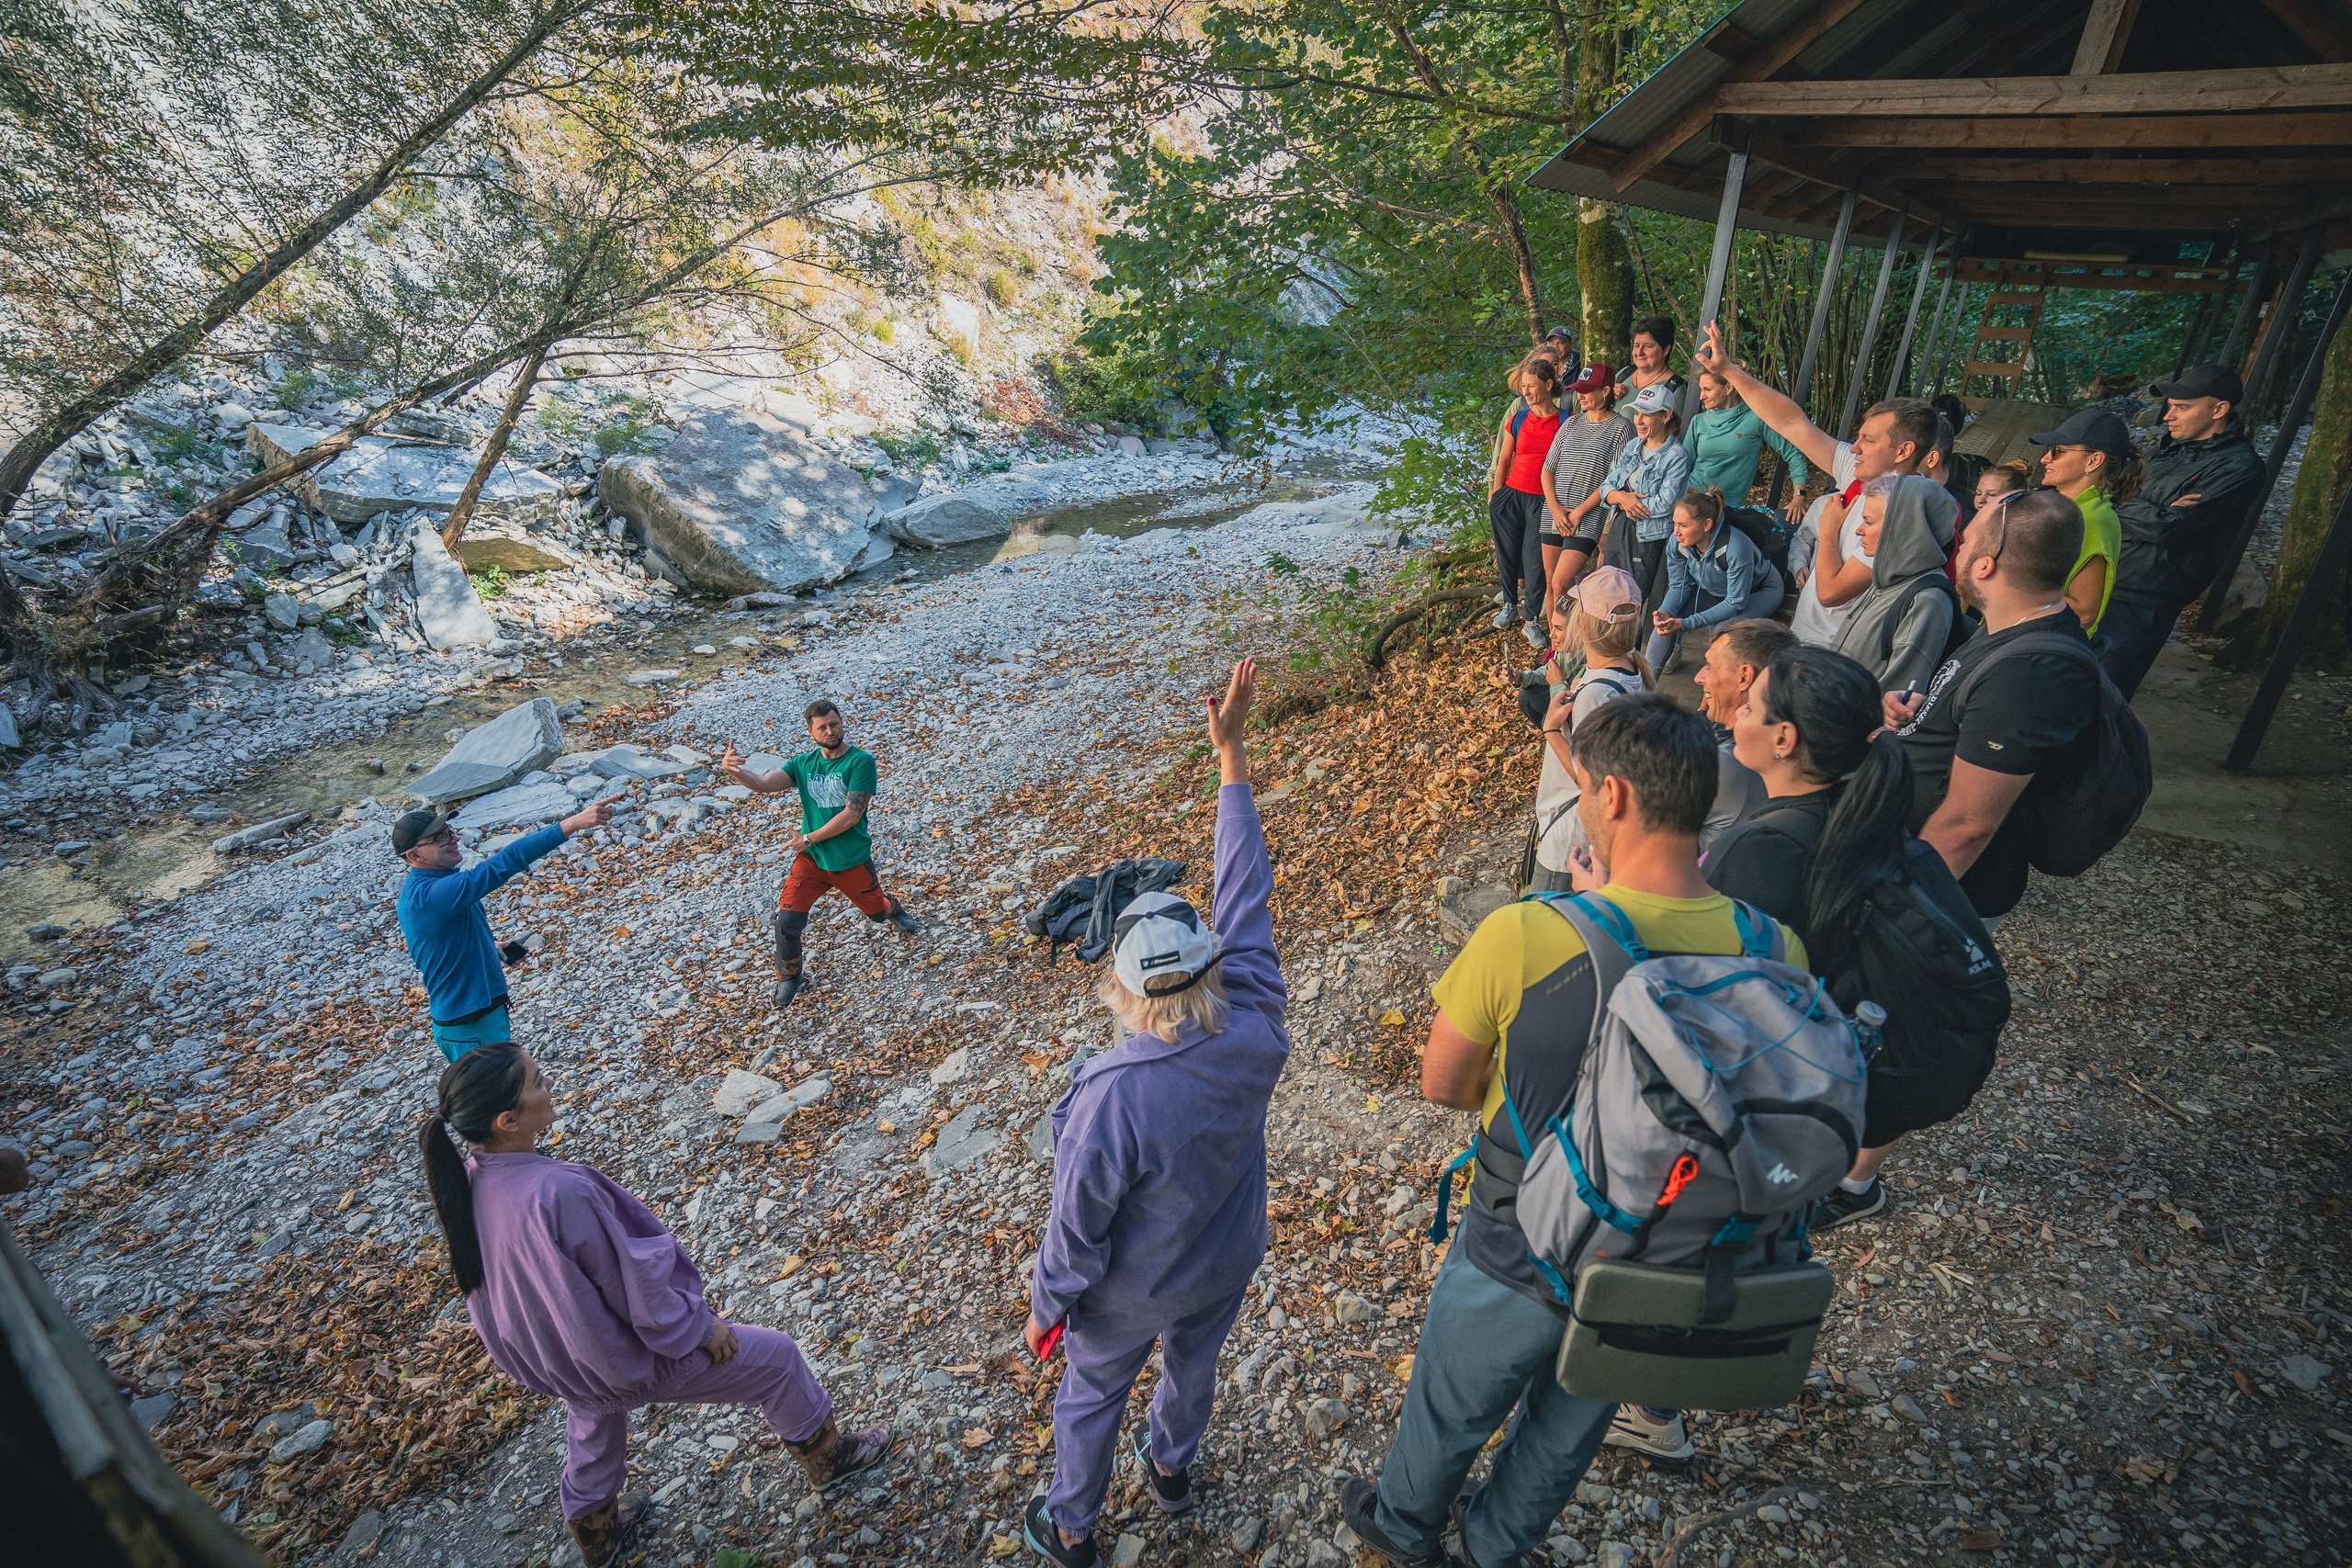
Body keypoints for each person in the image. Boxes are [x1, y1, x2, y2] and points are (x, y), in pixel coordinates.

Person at [1340, 695, 1807, 1568]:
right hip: (1670, 1250)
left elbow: (1444, 1082)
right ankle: (1495, 1547)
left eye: (1587, 786)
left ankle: (1403, 1525)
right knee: (1574, 1418)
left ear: (1615, 797)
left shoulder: (1525, 934)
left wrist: (1585, 924)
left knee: (1455, 1399)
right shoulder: (1774, 947)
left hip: (1523, 1236)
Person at [420, 1044, 893, 1568]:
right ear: (508, 1120)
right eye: (536, 1081)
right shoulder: (558, 1191)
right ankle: (831, 1461)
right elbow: (630, 1285)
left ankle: (598, 1538)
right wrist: (699, 1328)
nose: (548, 1084)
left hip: (567, 1360)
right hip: (620, 1356)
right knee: (778, 1360)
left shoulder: (470, 1179)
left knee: (594, 1417)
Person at [1023, 659, 1290, 1568]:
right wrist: (1232, 758)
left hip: (1129, 1290)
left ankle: (1072, 1527)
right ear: (1214, 964)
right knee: (1193, 1366)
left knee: (1093, 1393)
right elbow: (1246, 892)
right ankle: (1171, 1469)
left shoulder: (1111, 1093)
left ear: (1121, 987)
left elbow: (1076, 1230)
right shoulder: (1254, 1023)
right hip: (1223, 1259)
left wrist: (1045, 1308)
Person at [1707, 645, 1990, 1226]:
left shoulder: (1759, 849)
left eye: (1750, 706)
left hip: (1816, 1079)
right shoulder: (1869, 813)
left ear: (1784, 739)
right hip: (1893, 1054)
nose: (1737, 713)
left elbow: (1715, 988)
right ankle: (1851, 1187)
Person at [1886, 490, 2098, 919]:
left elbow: (1967, 825)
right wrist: (1933, 707)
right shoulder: (2012, 625)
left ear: (1986, 565)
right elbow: (1984, 713)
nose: (1958, 550)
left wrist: (1899, 910)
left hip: (1939, 895)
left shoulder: (2028, 674)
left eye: (1964, 542)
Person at [719, 701, 921, 1008]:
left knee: (876, 915)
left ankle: (890, 907)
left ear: (842, 723)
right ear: (810, 732)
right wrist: (735, 770)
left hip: (850, 859)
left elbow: (851, 816)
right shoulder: (803, 764)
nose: (830, 732)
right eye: (822, 728)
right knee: (787, 922)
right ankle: (789, 976)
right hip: (811, 861)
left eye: (834, 724)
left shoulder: (860, 762)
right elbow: (762, 784)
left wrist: (808, 838)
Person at [396, 798, 614, 1062]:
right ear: (415, 856)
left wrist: (487, 946)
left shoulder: (434, 886)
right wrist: (572, 824)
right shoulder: (432, 895)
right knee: (496, 1089)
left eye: (449, 831)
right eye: (440, 838)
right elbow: (502, 864)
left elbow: (439, 940)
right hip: (469, 1026)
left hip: (480, 1016)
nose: (454, 839)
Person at [2099, 363, 2266, 698]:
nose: (2168, 416)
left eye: (2182, 408)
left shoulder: (2240, 466)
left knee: (2103, 697)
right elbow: (2109, 495)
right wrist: (2143, 508)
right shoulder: (2168, 447)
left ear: (2219, 409)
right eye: (2170, 406)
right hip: (2104, 574)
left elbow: (2168, 527)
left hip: (2145, 597)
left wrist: (2124, 506)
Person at [1527, 569, 1652, 891]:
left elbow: (1588, 778)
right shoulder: (1631, 670)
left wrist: (1551, 729)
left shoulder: (1596, 692)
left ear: (1581, 622)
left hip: (1570, 841)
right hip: (1588, 835)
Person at [1830, 473, 1960, 694]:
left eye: (1868, 521)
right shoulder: (1889, 579)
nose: (1859, 530)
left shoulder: (1926, 600)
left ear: (1903, 528)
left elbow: (1896, 699)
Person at [1645, 488, 1785, 675]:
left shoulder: (1736, 546)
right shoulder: (1677, 542)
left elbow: (1736, 602)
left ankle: (1713, 691)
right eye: (1674, 523)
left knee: (1722, 632)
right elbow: (1679, 586)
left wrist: (1687, 623)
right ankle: (1643, 687)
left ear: (1707, 524)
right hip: (1715, 590)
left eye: (1683, 525)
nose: (1675, 532)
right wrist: (1665, 612)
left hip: (1758, 591)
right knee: (1665, 623)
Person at [1690, 616, 1797, 858]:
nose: (1698, 677)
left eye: (1709, 666)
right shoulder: (1780, 746)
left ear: (1744, 677)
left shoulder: (1725, 763)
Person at [2030, 407, 2142, 637]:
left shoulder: (2092, 519)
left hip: (2039, 643)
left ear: (2093, 461)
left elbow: (2084, 612)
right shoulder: (2072, 508)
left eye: (2058, 451)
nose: (2045, 459)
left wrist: (2009, 588)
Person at [1540, 364, 1633, 609]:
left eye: (1587, 390)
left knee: (1562, 583)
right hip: (1554, 512)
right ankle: (1555, 635)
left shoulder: (1622, 428)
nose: (1580, 395)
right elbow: (1547, 470)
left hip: (1588, 514)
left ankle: (1573, 632)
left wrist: (1579, 512)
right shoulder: (1571, 423)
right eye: (1578, 389)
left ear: (1605, 391)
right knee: (1550, 584)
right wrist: (1555, 509)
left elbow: (1613, 480)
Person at [1487, 356, 1566, 644]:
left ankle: (1531, 620)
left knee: (1535, 564)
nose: (1526, 392)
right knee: (1507, 554)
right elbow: (1504, 458)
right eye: (1524, 386)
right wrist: (1496, 495)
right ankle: (1509, 605)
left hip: (1542, 500)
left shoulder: (1565, 421)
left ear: (1548, 385)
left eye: (1531, 386)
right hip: (1511, 496)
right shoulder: (1519, 418)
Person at [1590, 382, 1690, 595]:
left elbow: (1665, 503)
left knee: (1631, 599)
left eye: (1646, 414)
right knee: (1609, 594)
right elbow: (1607, 486)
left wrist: (1625, 500)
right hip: (1619, 527)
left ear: (1666, 415)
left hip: (1648, 536)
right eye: (1636, 413)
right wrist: (1621, 498)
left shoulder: (1677, 455)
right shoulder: (1633, 445)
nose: (1638, 420)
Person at [1683, 364, 1809, 512]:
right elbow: (1683, 466)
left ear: (1729, 387)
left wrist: (1799, 495)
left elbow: (1793, 453)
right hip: (1691, 501)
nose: (1701, 396)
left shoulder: (1755, 418)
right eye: (1701, 389)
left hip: (1729, 508)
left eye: (1708, 389)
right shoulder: (1699, 421)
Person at [1788, 483, 1870, 648]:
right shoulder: (1823, 504)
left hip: (1837, 635)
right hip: (1803, 622)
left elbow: (1830, 594)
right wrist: (1798, 564)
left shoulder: (1874, 515)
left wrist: (1828, 530)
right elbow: (1802, 538)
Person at [1615, 315, 1685, 401]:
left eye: (1648, 346)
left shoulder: (1675, 390)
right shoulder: (1624, 374)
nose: (1639, 352)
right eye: (1637, 346)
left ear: (1665, 350)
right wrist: (1606, 398)